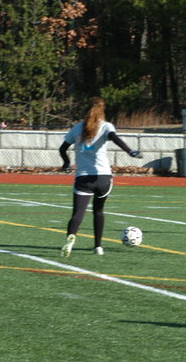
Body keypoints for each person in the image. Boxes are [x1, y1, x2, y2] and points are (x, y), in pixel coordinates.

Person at [58, 97, 143, 257]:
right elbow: (114, 138)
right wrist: (130, 151)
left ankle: (71, 237)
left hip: (83, 178)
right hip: (103, 178)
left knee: (77, 214)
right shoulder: (105, 126)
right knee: (98, 211)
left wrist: (66, 163)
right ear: (102, 111)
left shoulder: (77, 128)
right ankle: (98, 246)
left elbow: (63, 148)